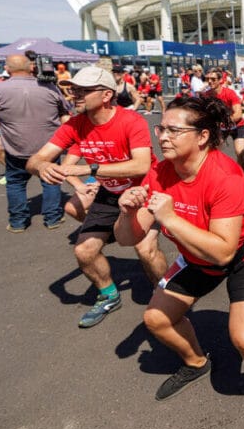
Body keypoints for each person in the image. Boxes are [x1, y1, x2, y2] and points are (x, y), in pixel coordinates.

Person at [113, 96, 244, 427]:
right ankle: (195, 363)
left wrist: (170, 218)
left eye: (174, 130)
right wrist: (127, 212)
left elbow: (223, 253)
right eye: (161, 128)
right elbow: (126, 238)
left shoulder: (226, 176)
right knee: (156, 319)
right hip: (198, 255)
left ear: (203, 136)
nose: (163, 137)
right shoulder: (160, 172)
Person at [28, 66, 167, 328]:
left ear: (106, 95)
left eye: (83, 91)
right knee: (84, 251)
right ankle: (109, 295)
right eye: (73, 90)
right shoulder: (75, 124)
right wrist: (42, 166)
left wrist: (87, 170)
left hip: (144, 190)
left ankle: (166, 293)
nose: (75, 95)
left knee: (145, 249)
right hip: (110, 193)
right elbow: (36, 159)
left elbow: (141, 166)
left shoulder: (131, 121)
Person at [0, 54, 71, 232]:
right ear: (32, 67)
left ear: (7, 69)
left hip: (16, 146)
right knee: (51, 181)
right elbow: (65, 110)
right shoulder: (50, 88)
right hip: (47, 146)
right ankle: (53, 218)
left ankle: (18, 222)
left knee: (16, 183)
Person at [201, 68, 244, 169]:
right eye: (207, 79)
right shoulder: (206, 95)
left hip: (237, 125)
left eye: (213, 79)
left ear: (220, 80)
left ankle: (241, 174)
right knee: (212, 151)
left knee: (240, 153)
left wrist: (224, 122)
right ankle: (217, 173)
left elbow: (238, 114)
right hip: (220, 127)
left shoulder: (229, 93)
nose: (210, 81)